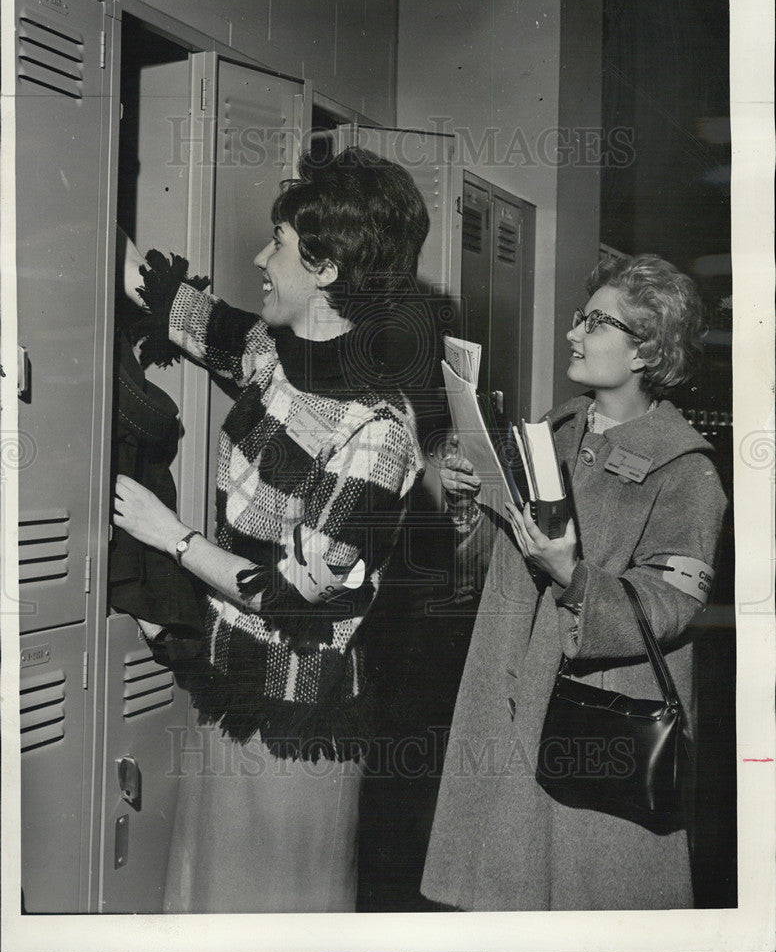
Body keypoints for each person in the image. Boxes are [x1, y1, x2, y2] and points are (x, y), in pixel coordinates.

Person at [114, 147, 429, 912]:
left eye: (279, 243)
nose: (260, 257)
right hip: (233, 693)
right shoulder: (275, 355)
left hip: (299, 729)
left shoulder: (378, 432)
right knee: (204, 901)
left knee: (276, 912)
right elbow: (168, 302)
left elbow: (289, 596)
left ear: (325, 267)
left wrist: (173, 539)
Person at [421, 254, 728, 911]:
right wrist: (467, 496)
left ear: (646, 349)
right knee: (505, 899)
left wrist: (574, 576)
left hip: (596, 719)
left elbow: (675, 602)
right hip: (508, 695)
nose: (574, 334)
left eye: (596, 323)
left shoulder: (686, 470)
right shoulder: (554, 431)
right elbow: (493, 555)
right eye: (578, 319)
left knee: (588, 903)